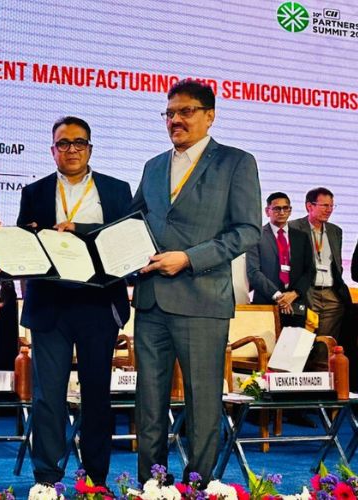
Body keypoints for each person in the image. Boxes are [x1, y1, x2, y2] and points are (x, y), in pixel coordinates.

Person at [131, 79, 261, 486]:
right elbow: (134, 223)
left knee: (203, 403)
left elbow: (247, 230)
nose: (176, 120)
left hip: (202, 300)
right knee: (148, 403)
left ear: (209, 116)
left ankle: (198, 488)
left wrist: (189, 258)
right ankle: (152, 486)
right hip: (151, 301)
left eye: (185, 111)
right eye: (169, 113)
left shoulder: (236, 162)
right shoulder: (153, 165)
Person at [17, 116, 132, 488]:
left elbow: (126, 241)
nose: (71, 150)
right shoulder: (34, 192)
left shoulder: (116, 190)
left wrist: (79, 231)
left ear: (90, 149)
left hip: (98, 304)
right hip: (50, 306)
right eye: (63, 143)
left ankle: (96, 480)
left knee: (97, 396)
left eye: (78, 143)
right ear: (52, 150)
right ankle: (46, 480)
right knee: (47, 397)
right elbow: (23, 248)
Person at [288, 187, 351, 340]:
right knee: (301, 343)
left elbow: (336, 264)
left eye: (331, 206)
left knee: (326, 344)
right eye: (324, 205)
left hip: (331, 296)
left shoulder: (335, 231)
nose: (329, 210)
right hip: (306, 293)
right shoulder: (293, 227)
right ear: (309, 206)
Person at [247, 192, 314, 327]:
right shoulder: (257, 236)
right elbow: (253, 272)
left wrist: (294, 294)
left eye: (285, 208)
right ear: (267, 211)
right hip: (266, 302)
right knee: (265, 340)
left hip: (295, 303)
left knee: (294, 340)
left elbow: (310, 271)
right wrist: (279, 297)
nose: (282, 212)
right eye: (277, 208)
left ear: (290, 210)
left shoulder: (301, 237)